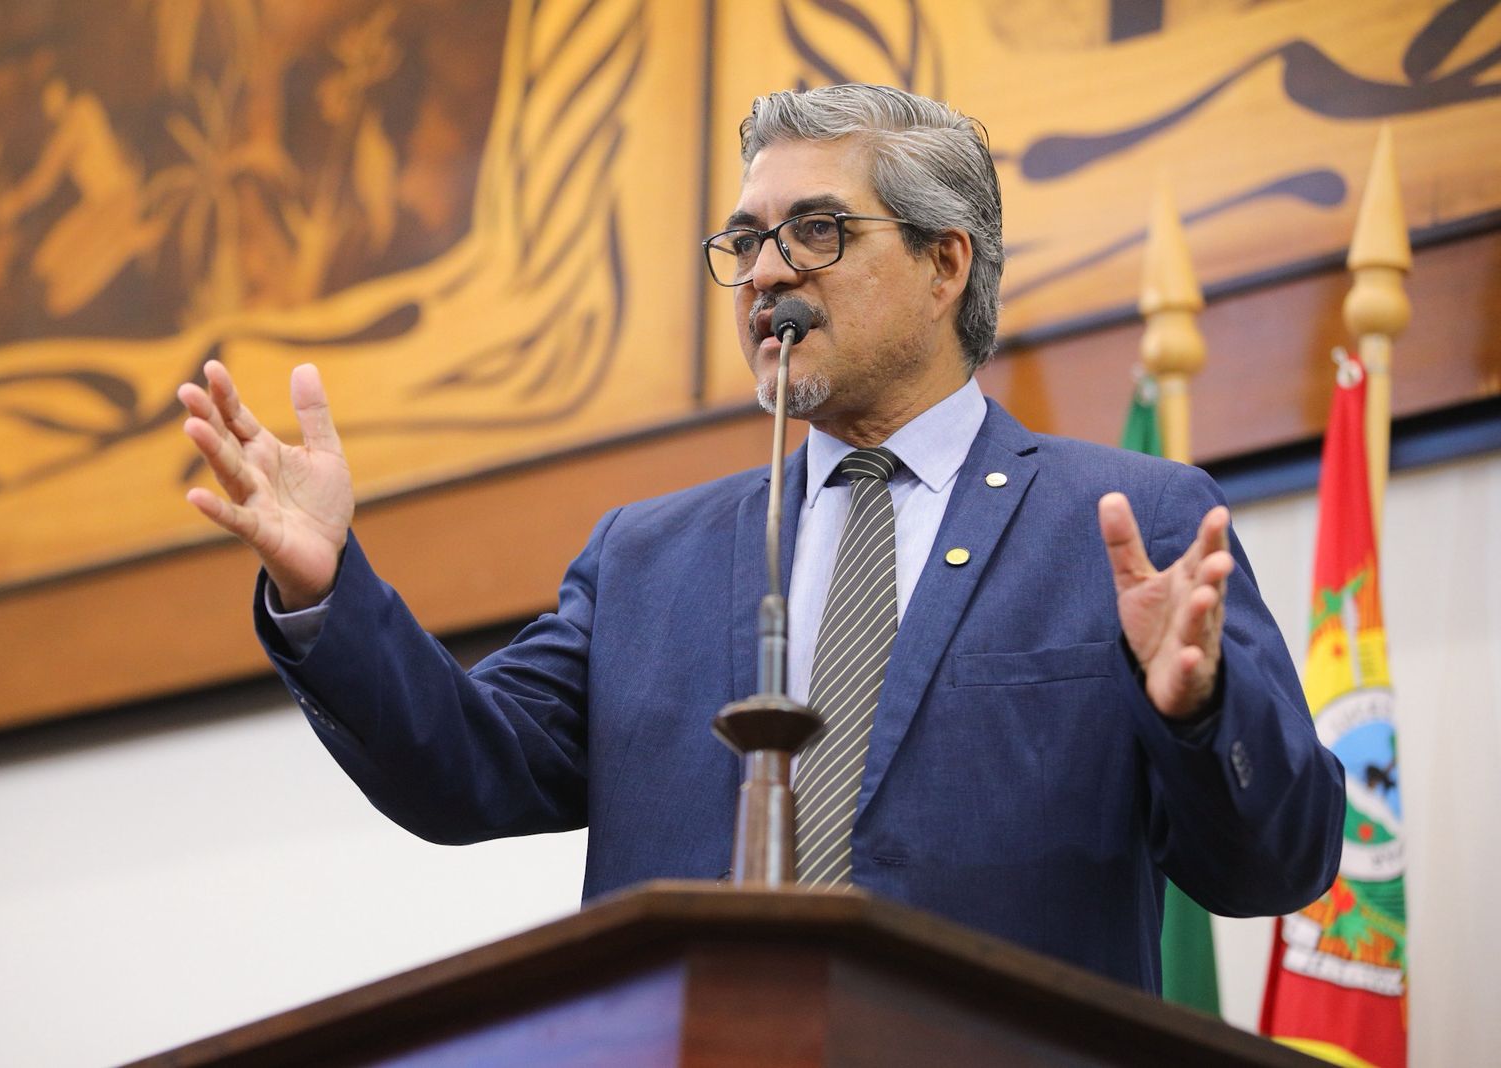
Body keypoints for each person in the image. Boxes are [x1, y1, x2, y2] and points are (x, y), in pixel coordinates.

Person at [178, 84, 1343, 993]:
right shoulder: (646, 561)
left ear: (945, 262)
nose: (766, 273)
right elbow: (463, 771)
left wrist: (1199, 718)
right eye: (744, 243)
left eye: (817, 231)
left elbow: (1277, 864)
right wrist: (325, 589)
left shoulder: (1127, 524)